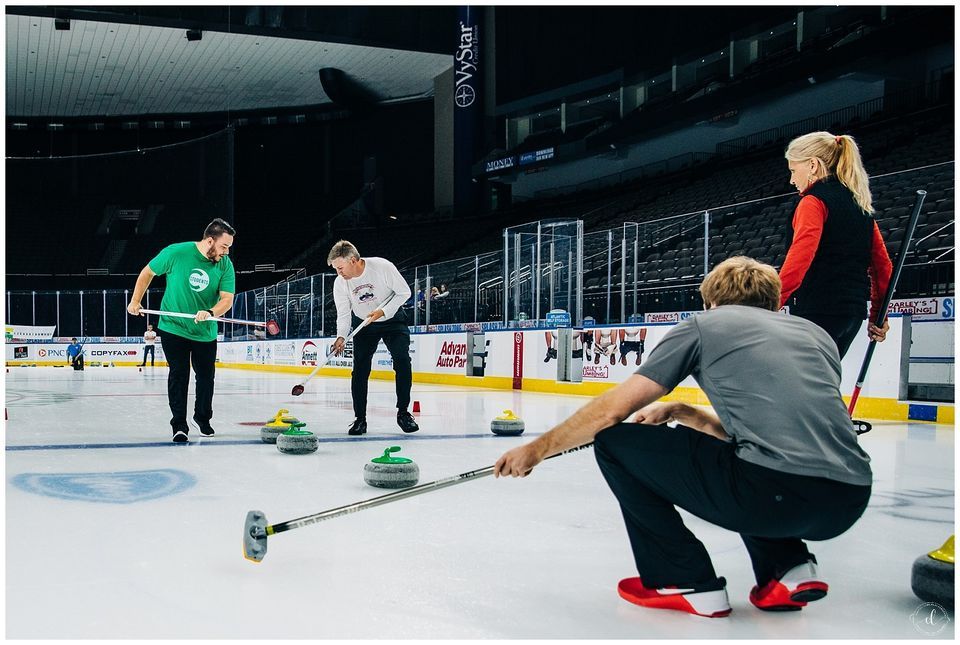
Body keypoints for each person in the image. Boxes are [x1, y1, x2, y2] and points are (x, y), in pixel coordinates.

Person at [494, 257, 872, 618]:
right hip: (847, 501)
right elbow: (776, 432)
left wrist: (537, 448)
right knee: (750, 459)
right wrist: (684, 413)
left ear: (710, 301)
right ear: (774, 302)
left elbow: (613, 411)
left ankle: (683, 579)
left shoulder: (704, 325)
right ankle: (789, 568)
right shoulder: (814, 334)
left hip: (771, 494)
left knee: (615, 443)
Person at [780, 131, 893, 358]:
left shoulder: (812, 202)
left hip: (817, 311)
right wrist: (878, 316)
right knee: (822, 383)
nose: (792, 179)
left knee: (799, 386)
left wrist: (768, 304)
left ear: (812, 165)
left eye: (793, 170)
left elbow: (800, 259)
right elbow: (883, 267)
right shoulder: (860, 205)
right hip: (851, 316)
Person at [127, 218, 236, 443]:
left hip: (205, 331)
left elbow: (227, 299)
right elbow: (147, 272)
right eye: (224, 247)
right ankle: (179, 424)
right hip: (173, 327)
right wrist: (135, 301)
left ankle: (202, 418)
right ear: (209, 241)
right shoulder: (176, 253)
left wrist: (211, 311)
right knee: (179, 374)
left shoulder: (225, 264)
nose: (226, 252)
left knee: (206, 377)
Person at [328, 240, 418, 436]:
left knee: (402, 360)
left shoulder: (382, 267)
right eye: (336, 269)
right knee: (360, 369)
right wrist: (341, 337)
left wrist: (383, 311)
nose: (339, 273)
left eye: (340, 268)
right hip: (364, 324)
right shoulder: (340, 283)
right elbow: (343, 313)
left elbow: (404, 292)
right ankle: (360, 419)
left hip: (392, 320)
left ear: (353, 260)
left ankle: (403, 413)